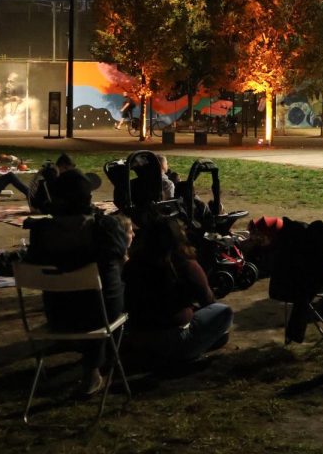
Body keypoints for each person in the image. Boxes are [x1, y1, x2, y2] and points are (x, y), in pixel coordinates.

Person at [24, 169, 128, 396]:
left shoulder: (41, 232)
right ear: (88, 199)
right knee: (116, 286)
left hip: (58, 316)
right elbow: (121, 254)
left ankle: (88, 355)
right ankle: (102, 363)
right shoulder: (103, 228)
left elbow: (34, 260)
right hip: (101, 314)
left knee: (86, 295)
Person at [122, 213, 232, 369]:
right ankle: (180, 356)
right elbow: (208, 301)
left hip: (139, 337)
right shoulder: (185, 265)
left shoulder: (132, 265)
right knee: (223, 312)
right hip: (175, 341)